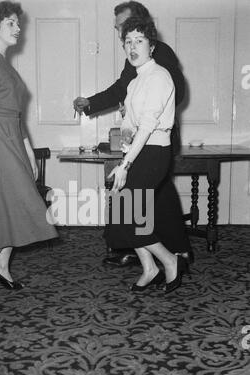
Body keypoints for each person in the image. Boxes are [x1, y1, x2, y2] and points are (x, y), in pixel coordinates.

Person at [73, 1, 192, 267]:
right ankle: (150, 253)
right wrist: (91, 103)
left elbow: (177, 92)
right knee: (147, 198)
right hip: (141, 139)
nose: (122, 35)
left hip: (156, 138)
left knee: (154, 196)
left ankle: (175, 252)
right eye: (119, 31)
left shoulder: (160, 55)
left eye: (125, 28)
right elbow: (121, 90)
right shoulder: (137, 62)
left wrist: (151, 110)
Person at [0, 1, 58, 290]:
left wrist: (30, 155)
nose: (18, 28)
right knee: (22, 204)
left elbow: (18, 119)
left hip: (13, 141)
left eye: (18, 23)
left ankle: (2, 266)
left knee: (15, 205)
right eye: (11, 23)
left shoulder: (5, 65)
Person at [103, 15, 190, 294]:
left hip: (155, 154)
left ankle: (168, 260)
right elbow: (130, 127)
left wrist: (126, 164)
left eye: (139, 40)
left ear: (152, 46)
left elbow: (149, 125)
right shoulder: (134, 82)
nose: (132, 47)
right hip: (140, 152)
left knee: (127, 216)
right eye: (128, 41)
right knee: (121, 211)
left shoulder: (160, 76)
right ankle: (150, 268)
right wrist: (124, 151)